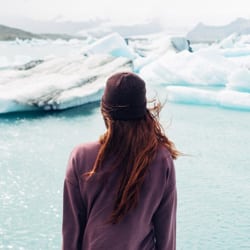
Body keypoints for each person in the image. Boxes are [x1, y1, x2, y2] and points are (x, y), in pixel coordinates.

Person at [62, 72, 180, 250]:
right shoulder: (160, 159)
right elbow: (166, 233)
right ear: (143, 112)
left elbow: (72, 231)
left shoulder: (81, 156)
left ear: (104, 111)